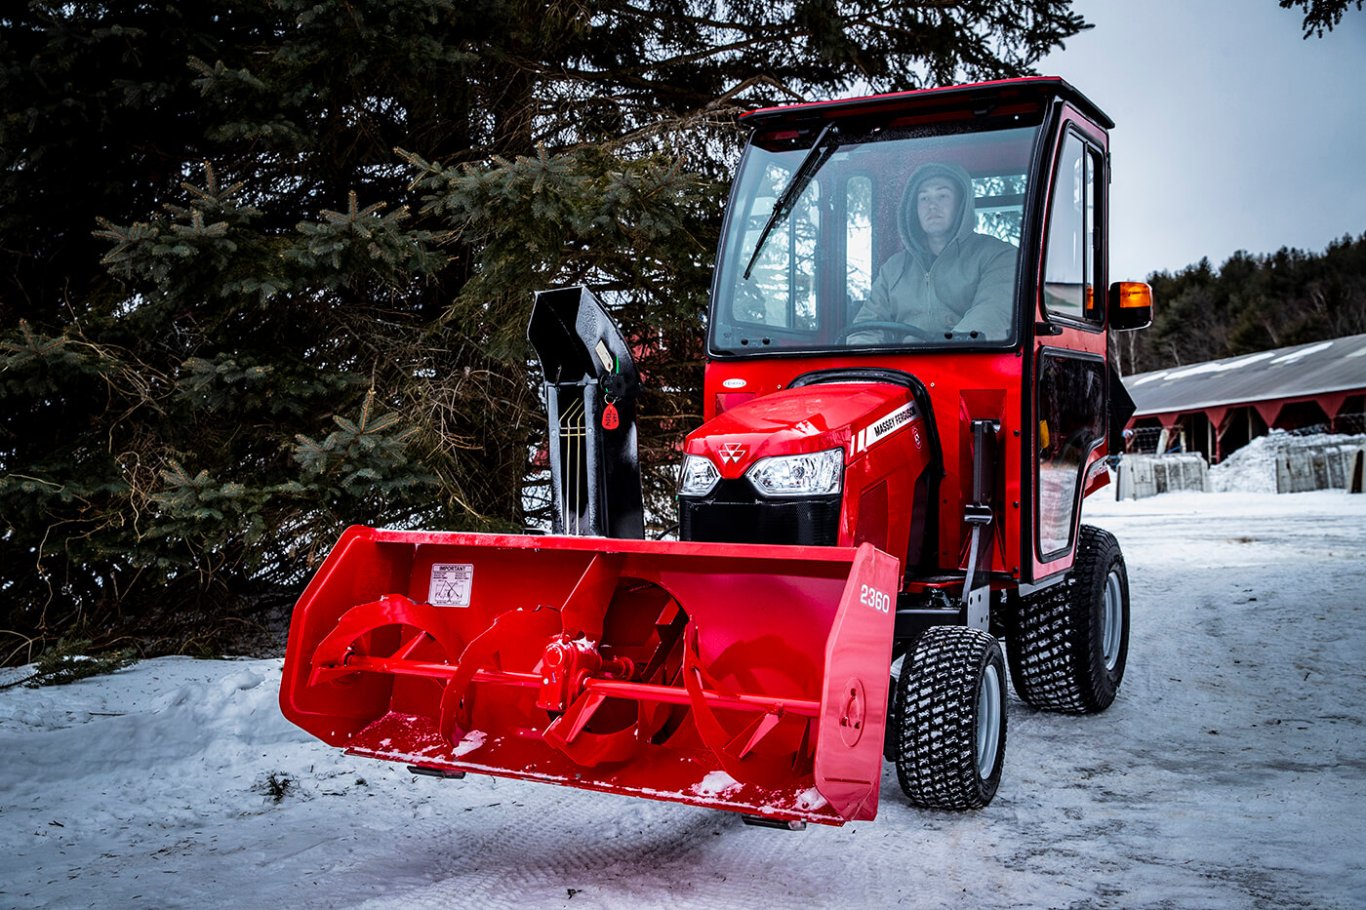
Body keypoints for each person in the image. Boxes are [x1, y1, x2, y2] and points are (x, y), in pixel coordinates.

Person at [846, 162, 1016, 344]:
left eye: (942, 196)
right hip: (902, 362)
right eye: (924, 198)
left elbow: (990, 315)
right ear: (914, 209)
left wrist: (942, 352)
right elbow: (866, 327)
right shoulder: (893, 269)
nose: (932, 206)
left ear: (962, 204)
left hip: (970, 360)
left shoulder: (1000, 256)